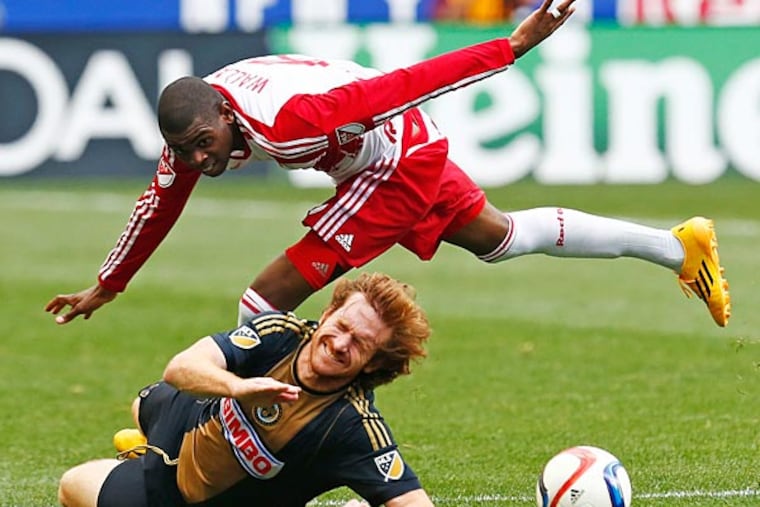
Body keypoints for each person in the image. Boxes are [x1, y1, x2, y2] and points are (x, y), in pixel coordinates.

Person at [45, 0, 730, 329]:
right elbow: (157, 202)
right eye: (189, 150)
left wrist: (511, 46)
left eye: (204, 143)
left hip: (395, 158)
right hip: (393, 152)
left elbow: (404, 84)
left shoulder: (291, 119)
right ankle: (675, 247)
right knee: (502, 240)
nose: (200, 158)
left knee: (262, 300)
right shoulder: (201, 125)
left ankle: (281, 429)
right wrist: (111, 282)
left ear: (225, 116)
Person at [58, 272, 433, 507]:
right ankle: (145, 446)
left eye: (360, 344)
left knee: (73, 484)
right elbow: (180, 368)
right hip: (183, 425)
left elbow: (411, 500)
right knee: (145, 400)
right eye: (342, 326)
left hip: (175, 495)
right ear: (327, 314)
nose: (339, 344)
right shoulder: (279, 334)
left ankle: (140, 458)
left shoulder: (351, 425)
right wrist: (238, 388)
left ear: (373, 363)